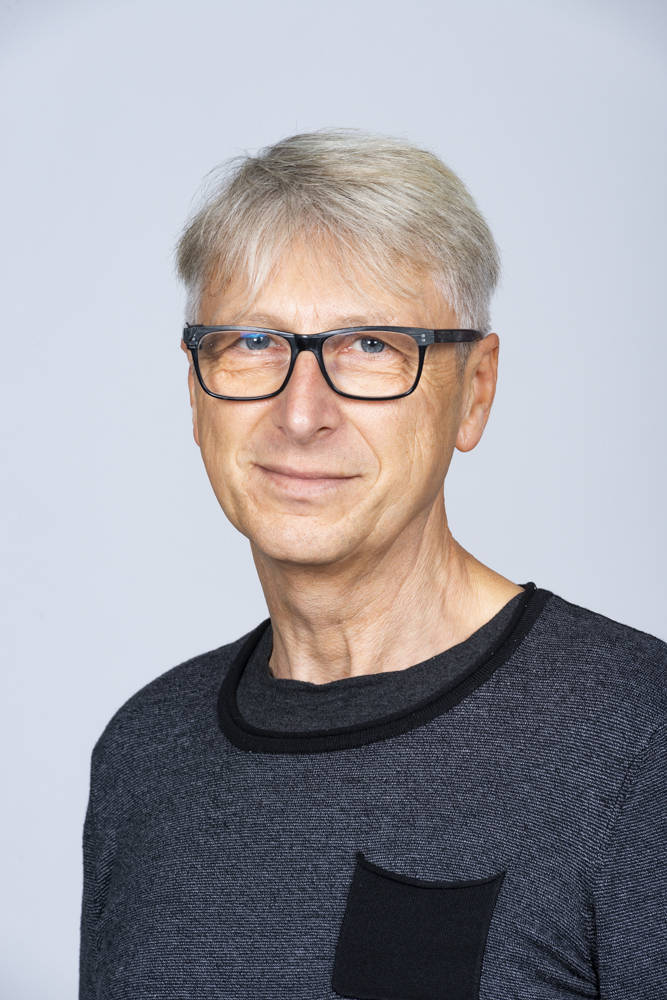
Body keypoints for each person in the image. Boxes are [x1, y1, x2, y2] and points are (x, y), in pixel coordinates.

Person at [79, 129, 666, 1000]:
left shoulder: (637, 739)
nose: (300, 413)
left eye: (370, 346)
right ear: (195, 391)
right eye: (252, 341)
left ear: (474, 391)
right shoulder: (143, 755)